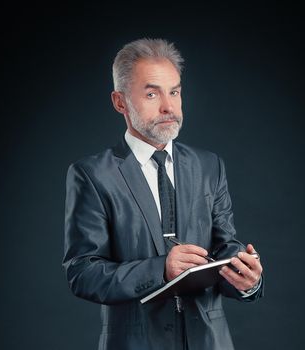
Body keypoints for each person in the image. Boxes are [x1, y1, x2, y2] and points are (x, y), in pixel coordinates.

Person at [63, 38, 263, 350]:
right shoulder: (92, 174)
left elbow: (225, 247)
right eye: (152, 93)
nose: (168, 106)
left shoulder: (210, 165)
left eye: (175, 91)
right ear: (120, 102)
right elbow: (83, 273)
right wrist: (161, 268)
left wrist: (246, 279)